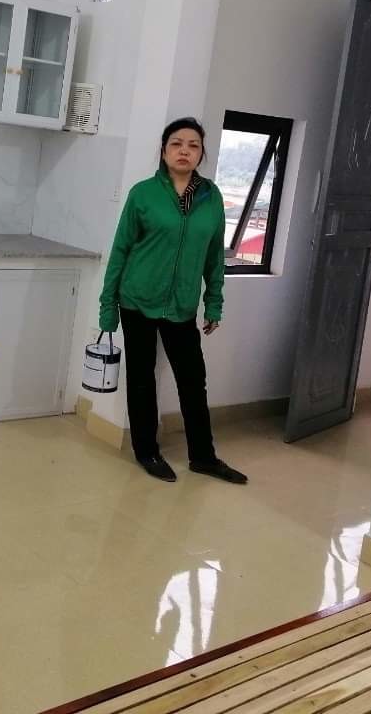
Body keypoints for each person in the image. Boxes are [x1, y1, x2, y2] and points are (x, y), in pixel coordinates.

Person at [99, 117, 248, 485]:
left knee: (193, 381)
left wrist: (214, 303)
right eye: (177, 144)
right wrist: (107, 307)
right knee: (141, 379)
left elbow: (214, 256)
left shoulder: (211, 197)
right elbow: (120, 251)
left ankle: (203, 457)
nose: (185, 151)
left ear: (201, 153)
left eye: (193, 145)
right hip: (137, 300)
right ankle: (146, 451)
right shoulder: (143, 194)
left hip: (181, 305)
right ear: (164, 151)